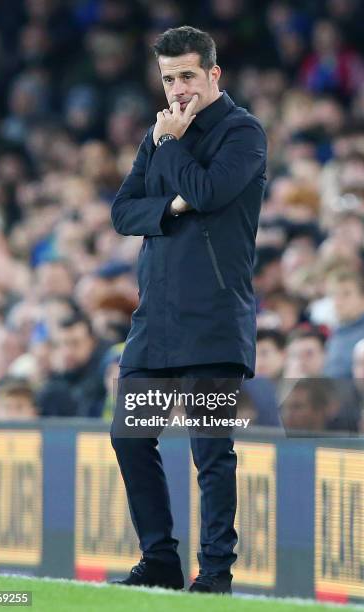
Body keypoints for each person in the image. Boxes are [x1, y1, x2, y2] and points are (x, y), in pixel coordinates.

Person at [110, 26, 267, 594]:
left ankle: (217, 574)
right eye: (169, 78)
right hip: (156, 322)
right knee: (130, 437)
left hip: (212, 317)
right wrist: (170, 202)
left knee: (211, 452)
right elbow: (122, 212)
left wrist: (173, 153)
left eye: (187, 77)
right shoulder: (157, 135)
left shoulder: (242, 132)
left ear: (213, 75)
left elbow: (207, 192)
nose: (177, 90)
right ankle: (159, 559)